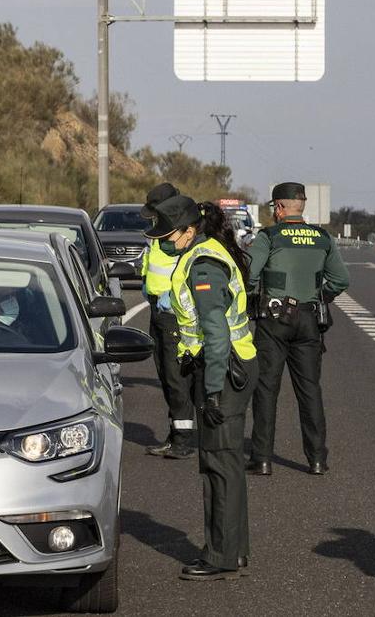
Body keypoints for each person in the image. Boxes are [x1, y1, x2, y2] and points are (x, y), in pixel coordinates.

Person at [145, 194, 258, 582]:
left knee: (217, 465)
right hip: (228, 369)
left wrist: (210, 392)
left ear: (189, 231)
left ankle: (220, 556)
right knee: (225, 464)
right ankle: (234, 550)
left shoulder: (204, 265)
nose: (162, 240)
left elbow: (215, 333)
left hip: (224, 373)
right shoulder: (201, 253)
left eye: (167, 234)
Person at [245, 182, 350, 477]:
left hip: (274, 320)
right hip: (309, 320)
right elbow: (341, 279)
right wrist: (320, 296)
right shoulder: (322, 238)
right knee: (309, 390)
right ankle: (317, 459)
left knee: (266, 389)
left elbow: (250, 276)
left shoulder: (269, 237)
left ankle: (262, 459)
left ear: (279, 207)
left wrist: (254, 295)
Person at [139, 182, 195, 459]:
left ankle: (183, 440)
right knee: (166, 376)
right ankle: (175, 434)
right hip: (158, 311)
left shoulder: (180, 235)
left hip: (174, 315)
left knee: (176, 380)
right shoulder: (159, 232)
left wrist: (168, 298)